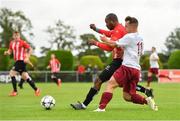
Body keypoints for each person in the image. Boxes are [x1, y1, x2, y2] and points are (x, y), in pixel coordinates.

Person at [70, 13, 153, 110]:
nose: (106, 25)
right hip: (127, 64)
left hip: (119, 62)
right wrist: (96, 29)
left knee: (101, 81)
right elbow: (109, 33)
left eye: (106, 23)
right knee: (124, 90)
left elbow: (110, 47)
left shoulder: (119, 30)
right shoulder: (120, 28)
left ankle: (87, 105)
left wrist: (95, 43)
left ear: (112, 22)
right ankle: (146, 92)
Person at [94, 16, 158, 112]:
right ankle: (147, 101)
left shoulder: (129, 37)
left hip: (127, 67)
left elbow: (114, 44)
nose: (125, 28)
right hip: (136, 70)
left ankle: (101, 108)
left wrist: (104, 39)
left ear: (132, 27)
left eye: (126, 26)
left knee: (110, 84)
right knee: (127, 96)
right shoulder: (140, 38)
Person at [4, 31, 40, 96]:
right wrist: (7, 52)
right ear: (13, 36)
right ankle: (36, 89)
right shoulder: (12, 43)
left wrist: (27, 57)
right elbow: (10, 51)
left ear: (19, 36)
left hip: (21, 61)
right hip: (18, 61)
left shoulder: (22, 42)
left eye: (17, 36)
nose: (16, 37)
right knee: (26, 77)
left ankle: (15, 91)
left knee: (11, 73)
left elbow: (30, 49)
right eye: (15, 36)